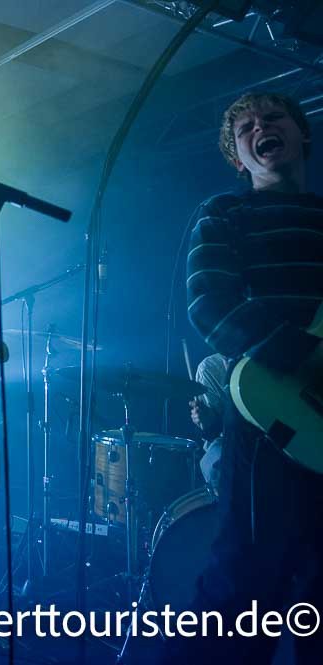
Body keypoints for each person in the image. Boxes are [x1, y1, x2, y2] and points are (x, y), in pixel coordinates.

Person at [163, 92, 323, 663]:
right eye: (246, 128)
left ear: (303, 133)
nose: (261, 128)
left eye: (274, 118)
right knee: (244, 585)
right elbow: (208, 304)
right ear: (238, 157)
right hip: (266, 414)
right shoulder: (225, 213)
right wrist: (304, 356)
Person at [189, 352, 228, 492]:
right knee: (215, 462)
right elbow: (214, 433)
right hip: (233, 441)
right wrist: (207, 423)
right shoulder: (210, 369)